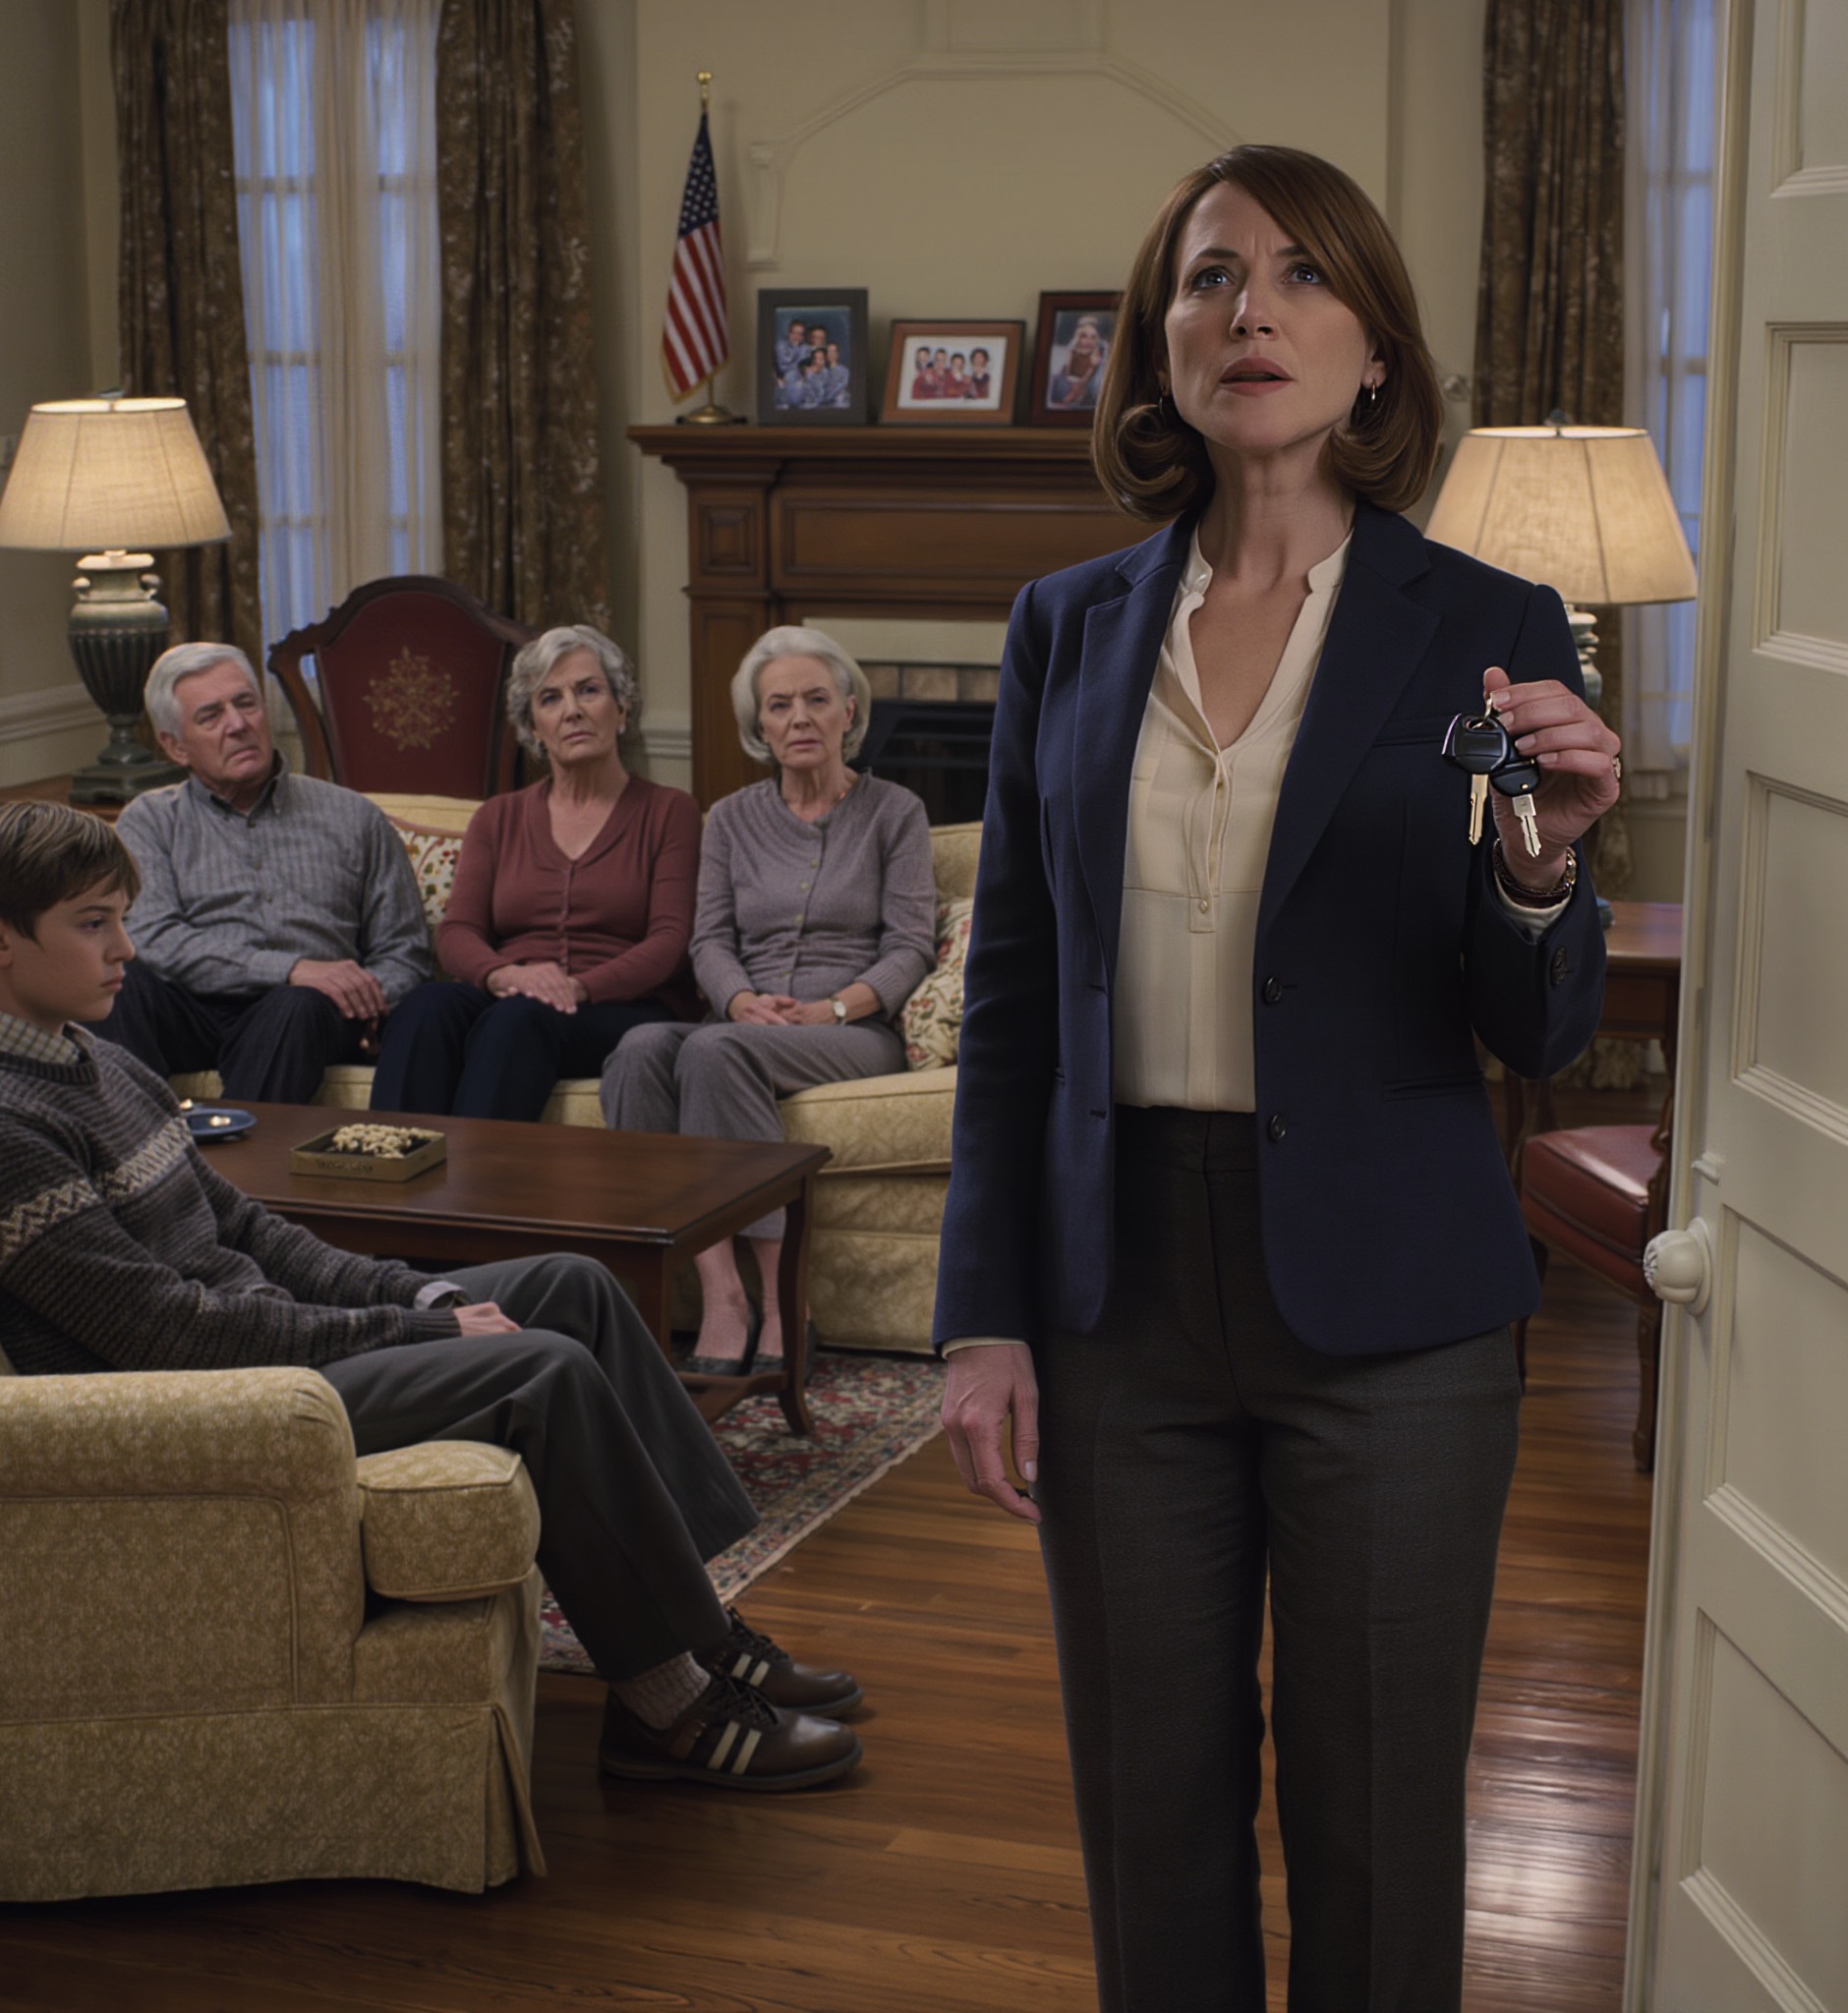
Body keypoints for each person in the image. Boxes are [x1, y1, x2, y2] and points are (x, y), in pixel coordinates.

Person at [936, 144, 1616, 2009]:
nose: (1252, 312)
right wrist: (981, 1315)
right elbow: (1013, 996)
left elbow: (1537, 1028)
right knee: (1146, 1813)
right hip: (1118, 1298)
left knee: (1376, 1819)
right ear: (1159, 340)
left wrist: (1540, 871)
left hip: (1398, 1309)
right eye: (1211, 276)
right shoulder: (1063, 626)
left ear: (1376, 348)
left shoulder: (1487, 624)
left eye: (1306, 276)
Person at [0, 800, 865, 1792]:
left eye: (120, 917)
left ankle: (703, 1632)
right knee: (538, 1370)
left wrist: (420, 1290)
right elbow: (168, 1333)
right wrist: (413, 1326)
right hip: (204, 1404)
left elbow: (250, 1231)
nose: (126, 948)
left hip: (256, 1351)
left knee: (570, 1285)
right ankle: (664, 1702)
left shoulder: (100, 1062)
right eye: (93, 922)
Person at [602, 627, 935, 1376]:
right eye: (780, 705)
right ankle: (721, 1293)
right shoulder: (728, 818)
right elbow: (709, 939)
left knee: (715, 1050)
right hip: (746, 1020)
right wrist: (739, 997)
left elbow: (911, 944)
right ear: (761, 725)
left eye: (816, 700)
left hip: (851, 1030)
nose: (799, 718)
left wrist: (836, 1008)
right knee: (640, 1050)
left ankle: (787, 1304)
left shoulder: (895, 812)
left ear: (849, 711)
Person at [370, 627, 700, 1122]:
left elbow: (670, 942)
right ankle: (391, 1158)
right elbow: (457, 933)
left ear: (622, 710)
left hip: (624, 1008)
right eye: (551, 698)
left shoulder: (670, 812)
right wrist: (505, 974)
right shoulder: (497, 818)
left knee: (519, 1018)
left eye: (589, 690)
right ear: (533, 729)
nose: (572, 710)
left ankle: (475, 1171)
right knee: (427, 1005)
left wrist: (577, 987)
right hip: (515, 997)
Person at [97, 643, 430, 1104]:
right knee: (120, 981)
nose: (238, 725)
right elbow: (153, 938)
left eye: (246, 703)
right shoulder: (150, 821)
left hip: (310, 1016)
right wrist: (289, 969)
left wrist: (366, 999)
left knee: (296, 1006)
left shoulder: (354, 817)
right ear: (175, 746)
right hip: (194, 1010)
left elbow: (404, 952)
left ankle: (240, 1152)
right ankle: (137, 1142)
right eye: (211, 716)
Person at [1048, 314, 1107, 410]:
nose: (1088, 341)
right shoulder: (1071, 350)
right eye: (1084, 336)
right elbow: (1065, 397)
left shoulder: (1101, 357)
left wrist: (1093, 368)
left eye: (1093, 337)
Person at [820, 341, 850, 408]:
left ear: (837, 354)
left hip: (839, 404)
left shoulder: (844, 371)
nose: (830, 354)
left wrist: (833, 369)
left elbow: (838, 388)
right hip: (823, 405)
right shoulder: (821, 370)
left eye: (833, 352)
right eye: (828, 352)